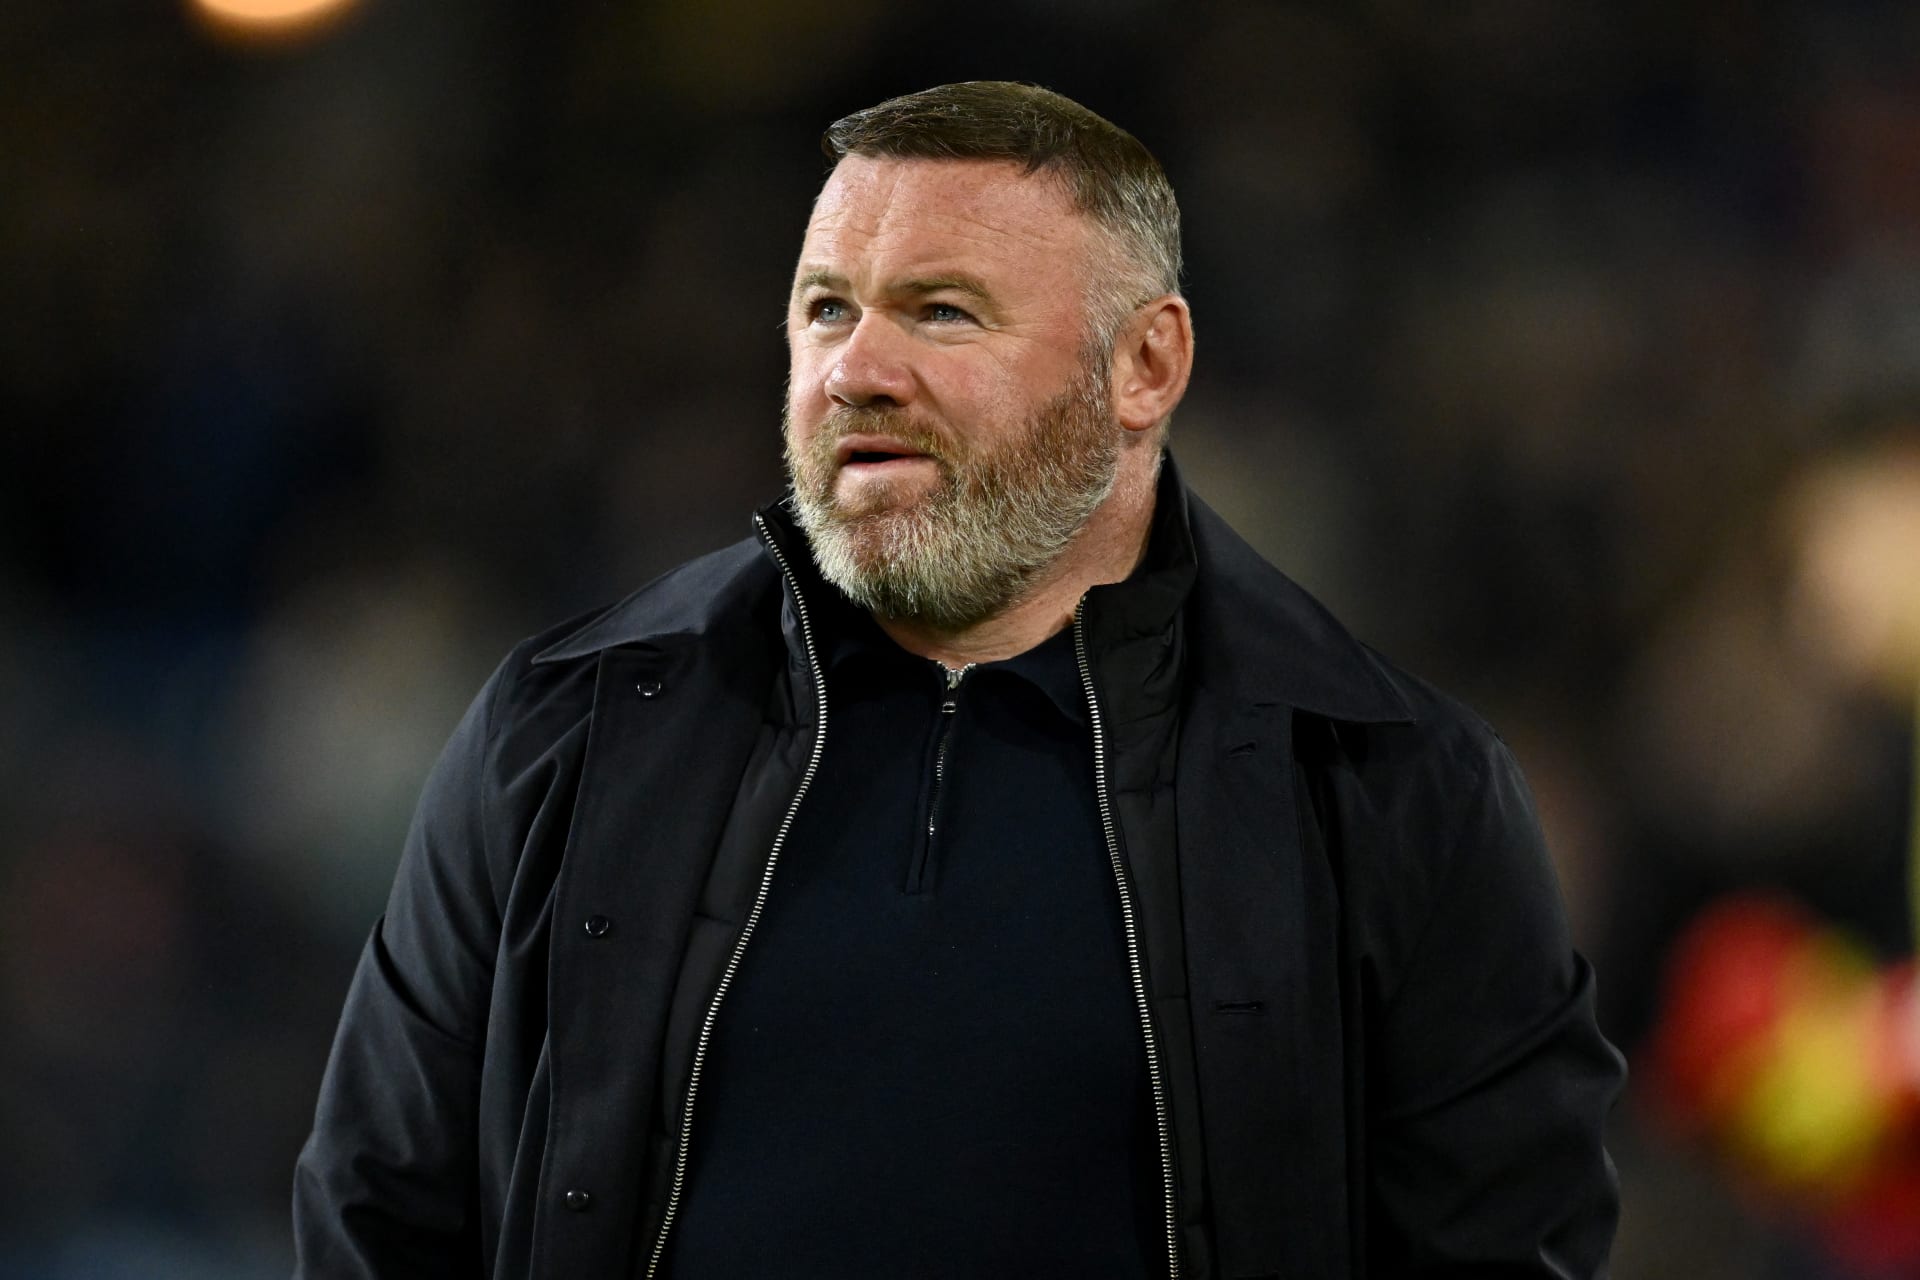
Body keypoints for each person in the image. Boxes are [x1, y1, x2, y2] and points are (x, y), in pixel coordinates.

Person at [292, 82, 1624, 1279]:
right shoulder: (569, 728)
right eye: (828, 309)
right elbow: (379, 1219)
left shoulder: (1387, 787)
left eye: (941, 311)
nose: (857, 373)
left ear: (1146, 366)